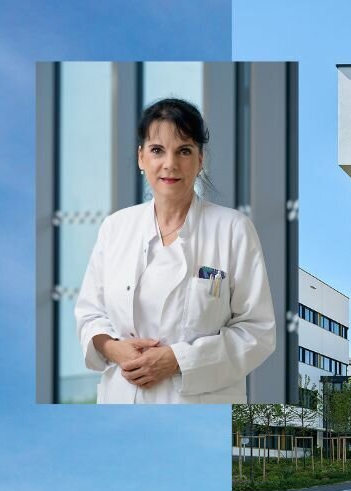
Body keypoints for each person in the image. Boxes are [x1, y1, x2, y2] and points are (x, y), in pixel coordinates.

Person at [75, 98, 275, 404]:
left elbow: (258, 331)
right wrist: (112, 347)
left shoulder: (233, 229)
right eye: (157, 150)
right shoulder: (115, 228)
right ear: (141, 157)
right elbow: (90, 313)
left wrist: (179, 360)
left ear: (200, 159)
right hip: (121, 398)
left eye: (184, 151)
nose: (170, 164)